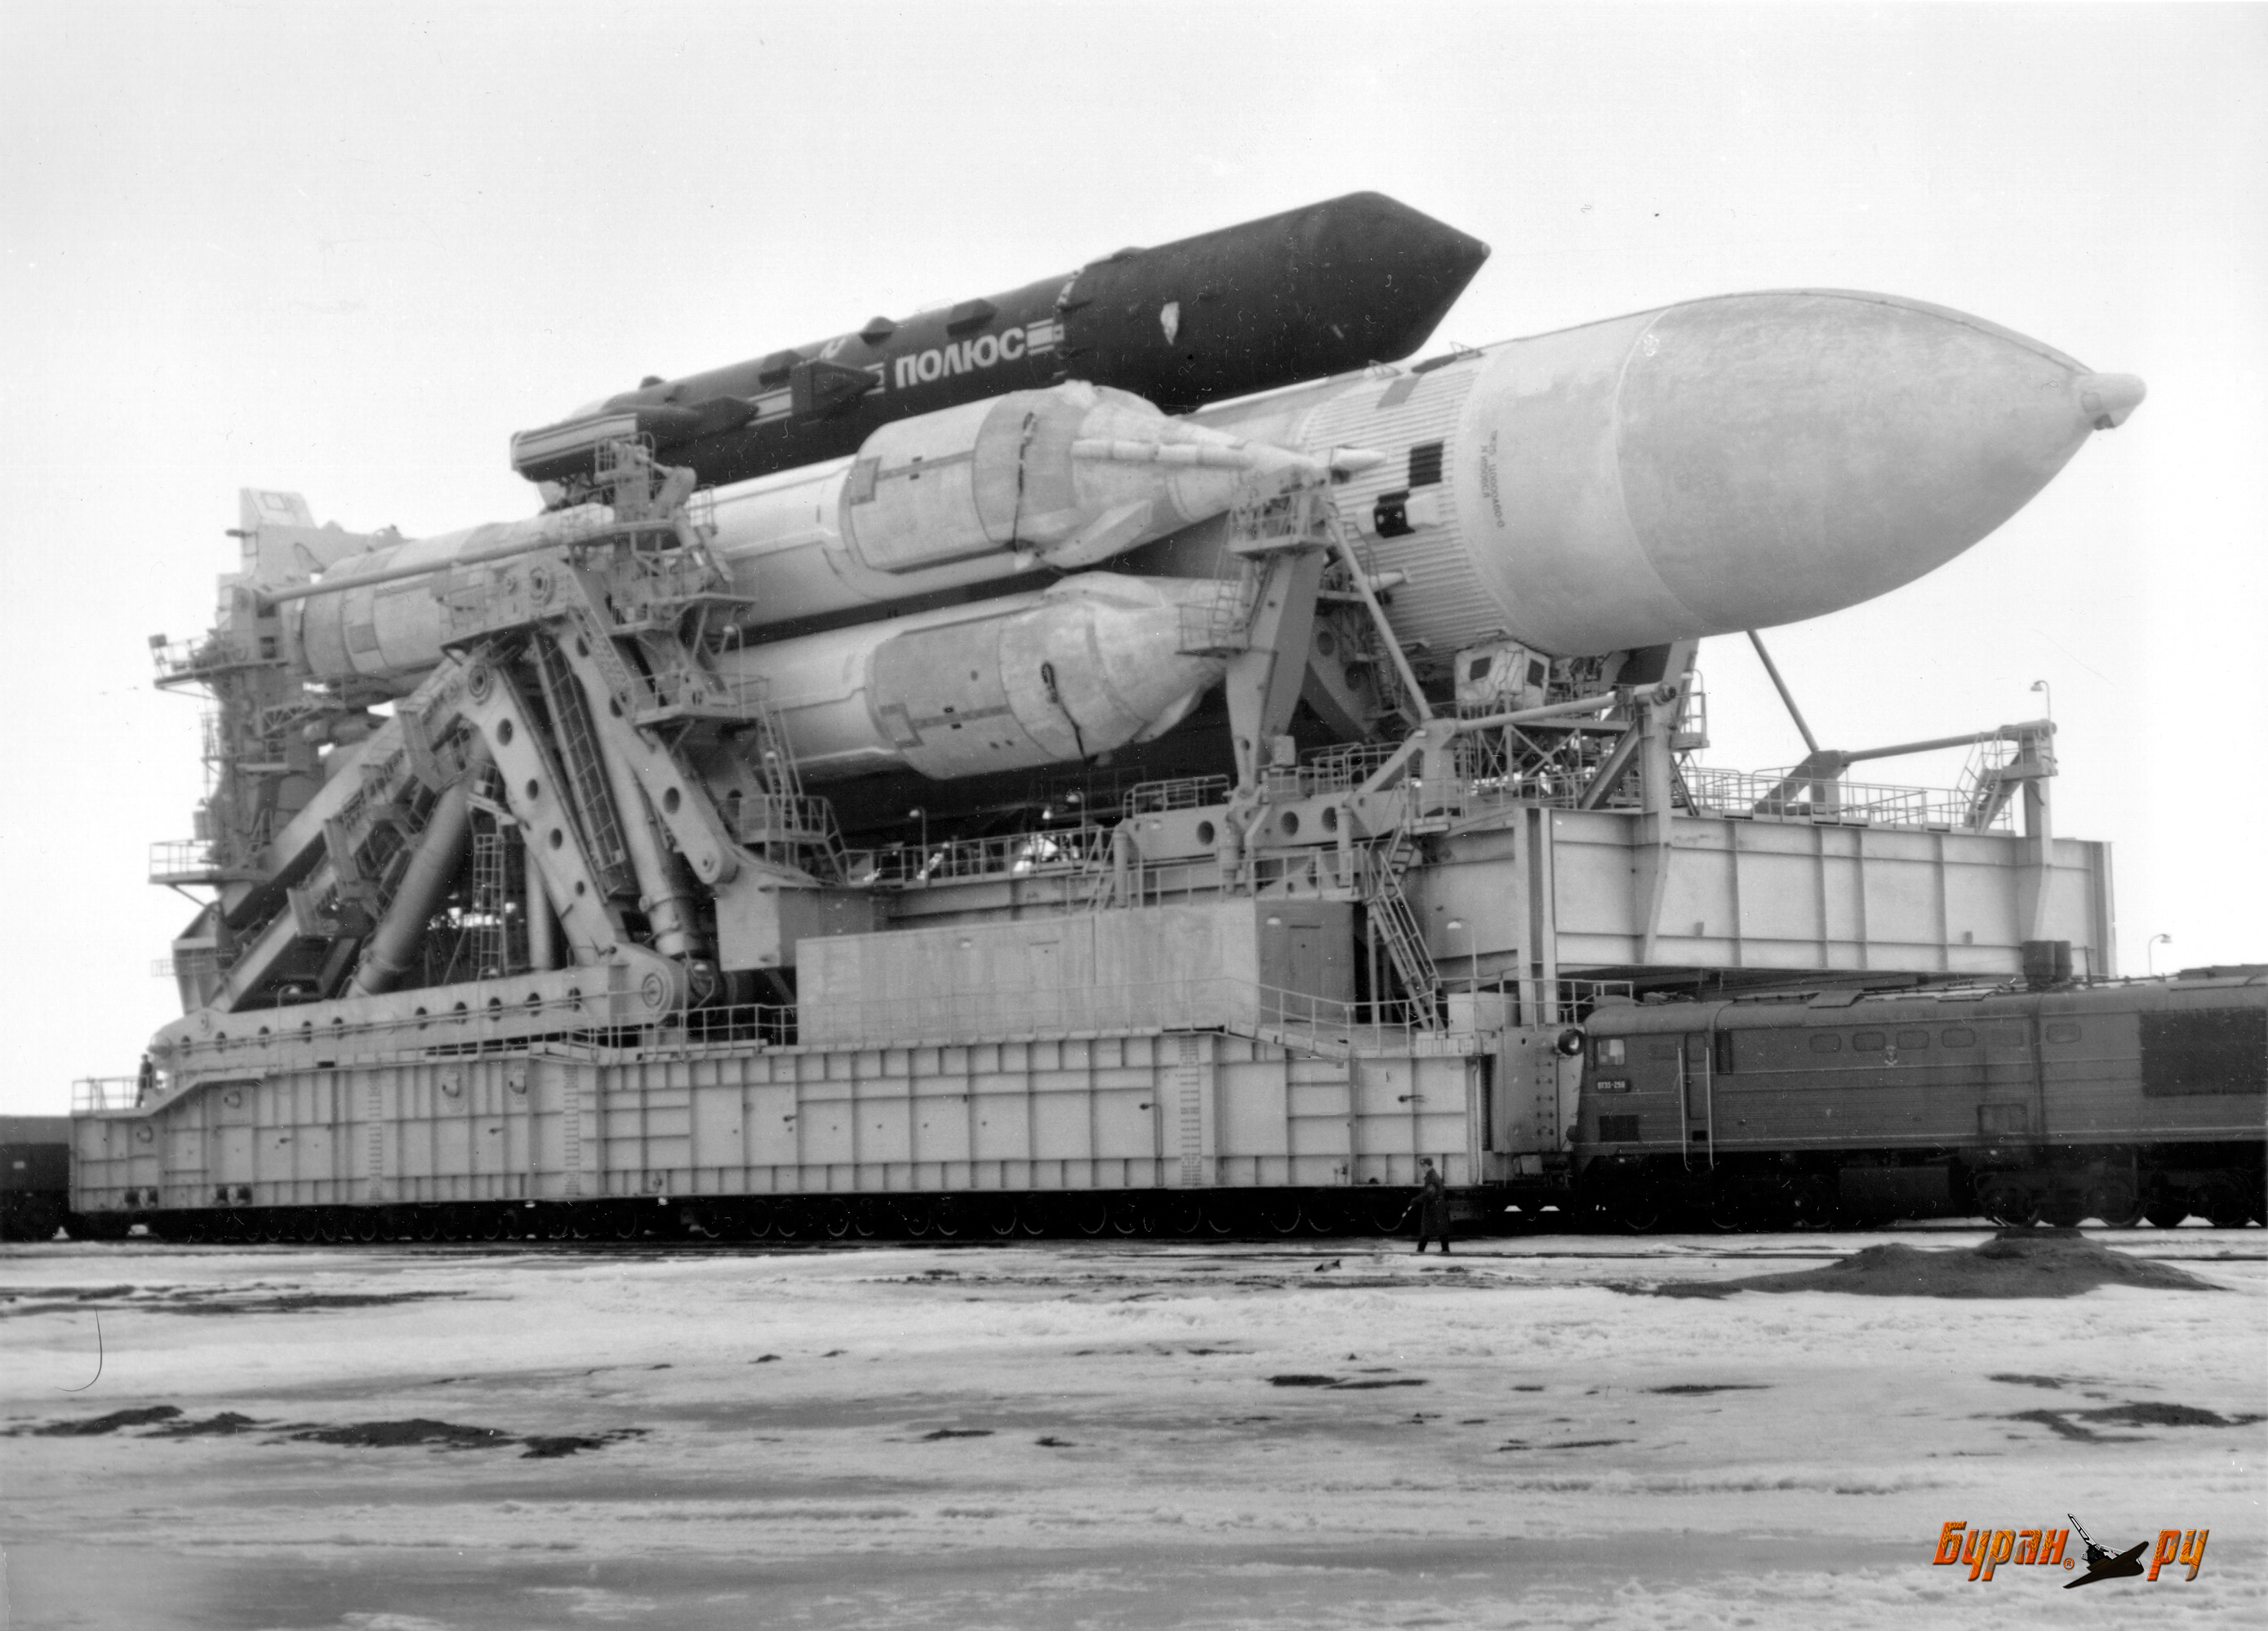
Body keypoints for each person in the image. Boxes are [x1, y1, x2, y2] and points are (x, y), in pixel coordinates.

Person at [1413, 1158, 1452, 1253]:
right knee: (1440, 1228)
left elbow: (1430, 1193)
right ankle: (1445, 1249)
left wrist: (1416, 1200)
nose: (1423, 1168)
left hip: (1434, 1206)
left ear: (1430, 1166)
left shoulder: (1432, 1177)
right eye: (1422, 1166)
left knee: (1427, 1228)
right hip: (1437, 1205)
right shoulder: (1433, 1176)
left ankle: (1421, 1249)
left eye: (1424, 1166)